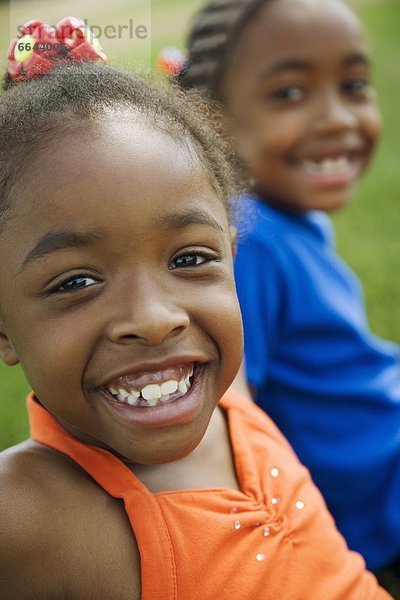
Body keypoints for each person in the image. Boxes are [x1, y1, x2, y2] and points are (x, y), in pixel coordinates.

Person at [0, 17, 392, 600]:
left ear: (232, 258)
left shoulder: (230, 398)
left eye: (188, 260)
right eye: (76, 281)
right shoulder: (35, 514)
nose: (156, 319)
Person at [178, 0, 400, 576]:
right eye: (290, 94)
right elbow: (229, 406)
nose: (337, 119)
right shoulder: (249, 241)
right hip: (378, 496)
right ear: (214, 118)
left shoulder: (284, 222)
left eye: (354, 84)